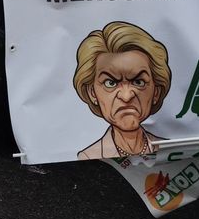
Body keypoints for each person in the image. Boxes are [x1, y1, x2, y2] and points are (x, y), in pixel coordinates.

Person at [74, 21, 173, 160]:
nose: (126, 96)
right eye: (110, 83)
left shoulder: (172, 149)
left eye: (138, 82)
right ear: (92, 93)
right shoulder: (87, 157)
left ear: (156, 91)